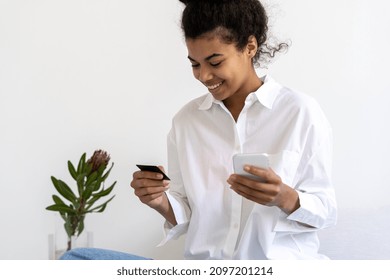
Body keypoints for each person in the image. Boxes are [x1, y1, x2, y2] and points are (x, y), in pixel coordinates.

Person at [62, 0, 337, 260]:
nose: (204, 76)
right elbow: (186, 212)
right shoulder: (187, 122)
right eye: (195, 64)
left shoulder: (300, 112)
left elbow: (326, 211)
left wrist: (284, 197)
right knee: (76, 259)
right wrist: (159, 201)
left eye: (215, 62)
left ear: (250, 46)